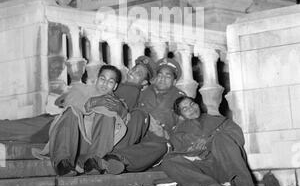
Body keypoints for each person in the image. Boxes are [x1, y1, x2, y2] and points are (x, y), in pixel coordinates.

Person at [0, 55, 155, 145]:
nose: (134, 71)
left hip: (76, 123)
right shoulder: (122, 85)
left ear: (144, 82)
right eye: (135, 68)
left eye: (139, 73)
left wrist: (76, 99)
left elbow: (104, 109)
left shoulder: (130, 91)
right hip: (72, 118)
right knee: (24, 126)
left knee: (22, 128)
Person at [160, 96, 261, 186]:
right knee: (168, 161)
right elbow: (183, 152)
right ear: (180, 116)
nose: (191, 109)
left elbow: (237, 137)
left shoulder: (220, 121)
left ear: (198, 104)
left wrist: (210, 140)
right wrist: (194, 152)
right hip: (204, 171)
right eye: (185, 108)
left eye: (192, 104)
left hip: (226, 165)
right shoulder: (178, 133)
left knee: (221, 138)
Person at [35, 64, 129, 176]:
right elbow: (70, 99)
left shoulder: (117, 103)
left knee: (108, 113)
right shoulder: (81, 89)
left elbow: (125, 121)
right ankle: (63, 162)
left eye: (110, 81)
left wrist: (121, 110)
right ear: (97, 79)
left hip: (95, 145)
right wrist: (93, 102)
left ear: (115, 86)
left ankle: (94, 161)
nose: (105, 84)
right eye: (102, 79)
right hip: (74, 139)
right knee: (71, 111)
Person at [104, 58, 186, 174]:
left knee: (164, 146)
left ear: (174, 81)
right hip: (135, 138)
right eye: (160, 75)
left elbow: (184, 127)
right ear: (154, 79)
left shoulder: (180, 98)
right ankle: (113, 157)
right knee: (139, 115)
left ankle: (114, 159)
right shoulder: (141, 92)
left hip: (155, 143)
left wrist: (164, 134)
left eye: (168, 76)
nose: (162, 78)